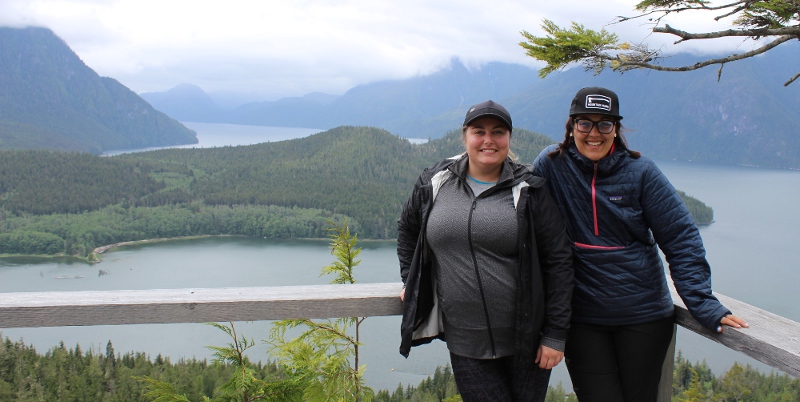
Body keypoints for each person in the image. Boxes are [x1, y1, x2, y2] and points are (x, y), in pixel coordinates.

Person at [532, 87, 749, 401]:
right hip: (582, 318)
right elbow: (524, 213)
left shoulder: (640, 172)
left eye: (604, 124)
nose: (594, 133)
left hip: (642, 316)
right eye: (585, 124)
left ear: (616, 129)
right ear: (572, 126)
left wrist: (702, 302)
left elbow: (681, 237)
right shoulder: (552, 165)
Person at [397, 100, 574, 401]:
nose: (488, 140)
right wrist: (410, 281)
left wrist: (555, 334)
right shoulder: (435, 182)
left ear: (509, 138)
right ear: (465, 136)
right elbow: (408, 229)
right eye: (479, 131)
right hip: (465, 340)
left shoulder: (530, 188)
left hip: (528, 342)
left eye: (498, 132)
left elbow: (559, 261)